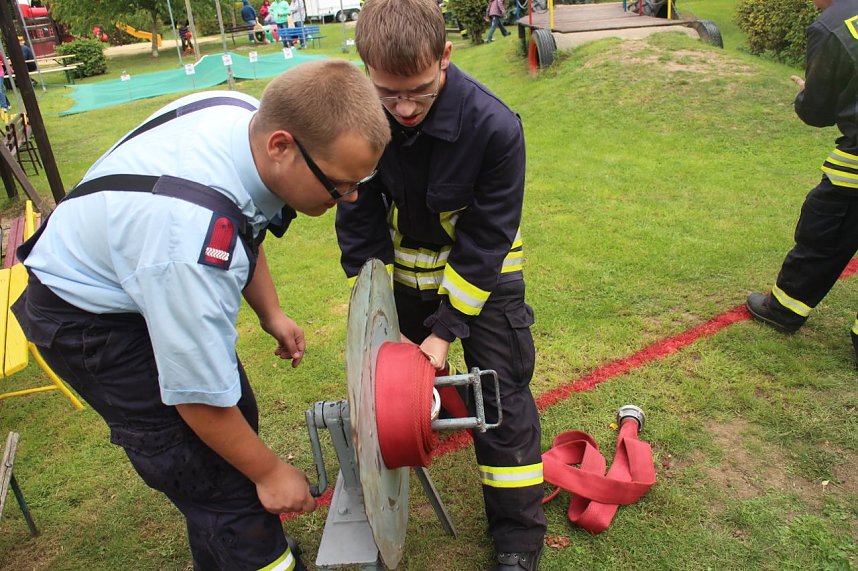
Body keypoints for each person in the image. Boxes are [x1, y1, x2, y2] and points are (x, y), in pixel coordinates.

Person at [12, 60, 390, 571]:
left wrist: (270, 311)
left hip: (139, 271)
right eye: (339, 185)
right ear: (282, 146)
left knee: (233, 427)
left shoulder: (242, 118)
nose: (350, 198)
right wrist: (272, 473)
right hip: (89, 323)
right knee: (209, 473)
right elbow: (197, 399)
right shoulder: (189, 242)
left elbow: (246, 218)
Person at [335, 0, 546, 569]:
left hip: (484, 277)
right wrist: (375, 311)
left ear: (445, 57)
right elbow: (358, 221)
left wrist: (447, 329)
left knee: (497, 397)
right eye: (387, 92)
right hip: (403, 280)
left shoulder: (494, 126)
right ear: (365, 69)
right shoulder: (361, 118)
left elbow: (487, 238)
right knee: (393, 393)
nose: (403, 109)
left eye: (420, 91)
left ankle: (518, 541)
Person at [746, 0, 858, 366]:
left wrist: (807, 92)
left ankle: (784, 308)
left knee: (824, 228)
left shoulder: (833, 25)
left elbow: (817, 111)